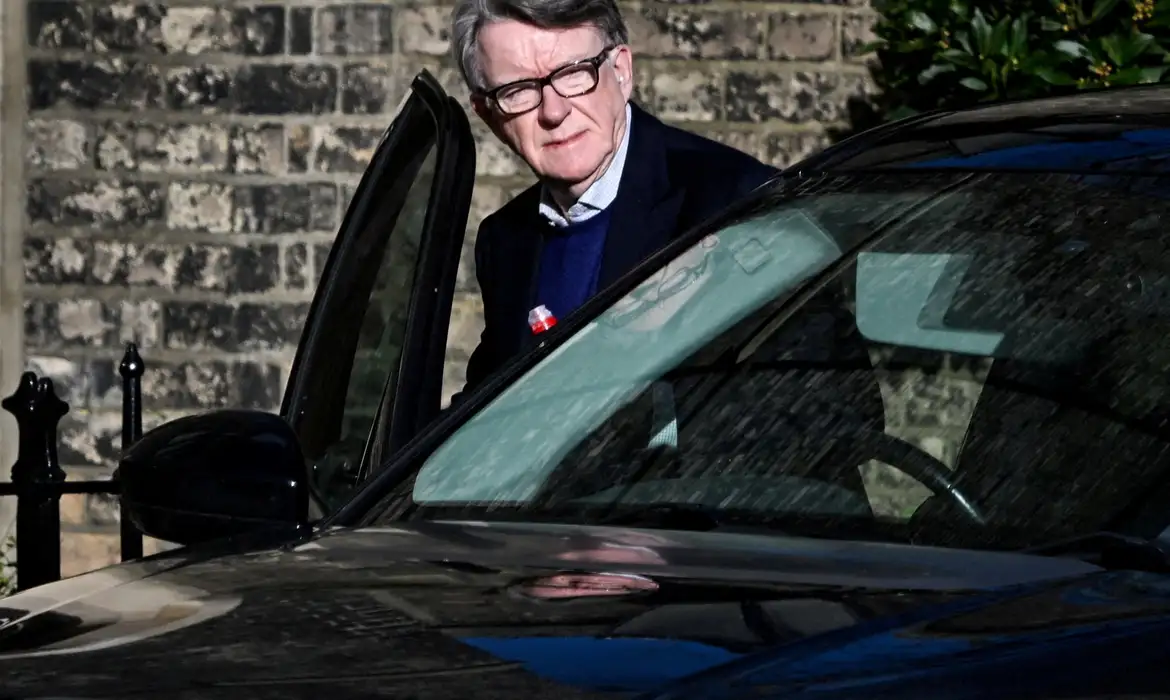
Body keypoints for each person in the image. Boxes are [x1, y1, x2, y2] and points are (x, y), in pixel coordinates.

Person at [449, 0, 780, 401]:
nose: (554, 112)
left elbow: (836, 413)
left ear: (621, 72)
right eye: (518, 91)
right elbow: (483, 417)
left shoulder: (735, 201)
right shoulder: (504, 242)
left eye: (573, 74)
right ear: (488, 115)